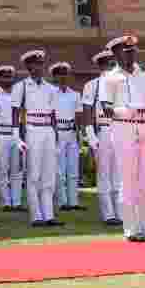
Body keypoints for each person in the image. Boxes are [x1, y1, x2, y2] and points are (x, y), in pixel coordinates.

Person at [97, 32, 145, 242]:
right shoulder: (109, 78)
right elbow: (105, 108)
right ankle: (131, 229)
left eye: (132, 51)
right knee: (128, 180)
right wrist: (125, 110)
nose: (130, 54)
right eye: (125, 51)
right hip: (123, 127)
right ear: (116, 54)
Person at [12, 50, 60, 227]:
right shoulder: (21, 87)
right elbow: (15, 113)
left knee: (49, 175)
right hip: (32, 130)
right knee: (33, 175)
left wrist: (56, 138)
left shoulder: (51, 88)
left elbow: (54, 114)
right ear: (28, 66)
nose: (39, 67)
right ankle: (36, 215)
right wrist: (17, 137)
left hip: (48, 130)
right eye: (35, 64)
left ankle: (49, 215)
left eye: (41, 64)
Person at [82, 50, 122, 225]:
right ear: (100, 66)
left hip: (121, 129)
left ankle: (120, 212)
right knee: (105, 174)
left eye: (112, 64)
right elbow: (87, 112)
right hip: (104, 130)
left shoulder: (122, 83)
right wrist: (91, 137)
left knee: (119, 175)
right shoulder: (93, 85)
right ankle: (109, 214)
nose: (110, 67)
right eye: (107, 64)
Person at [50, 62, 84, 212]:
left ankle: (74, 202)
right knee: (60, 170)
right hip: (58, 131)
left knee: (73, 170)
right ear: (55, 76)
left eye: (65, 74)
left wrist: (78, 134)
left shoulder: (75, 94)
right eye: (60, 74)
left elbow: (78, 115)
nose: (63, 77)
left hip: (71, 132)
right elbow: (50, 114)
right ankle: (63, 201)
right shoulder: (50, 93)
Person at [0, 66, 23, 212]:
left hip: (16, 135)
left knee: (17, 169)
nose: (8, 79)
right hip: (1, 135)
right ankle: (6, 202)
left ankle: (16, 202)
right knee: (3, 170)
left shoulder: (18, 94)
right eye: (4, 77)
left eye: (10, 77)